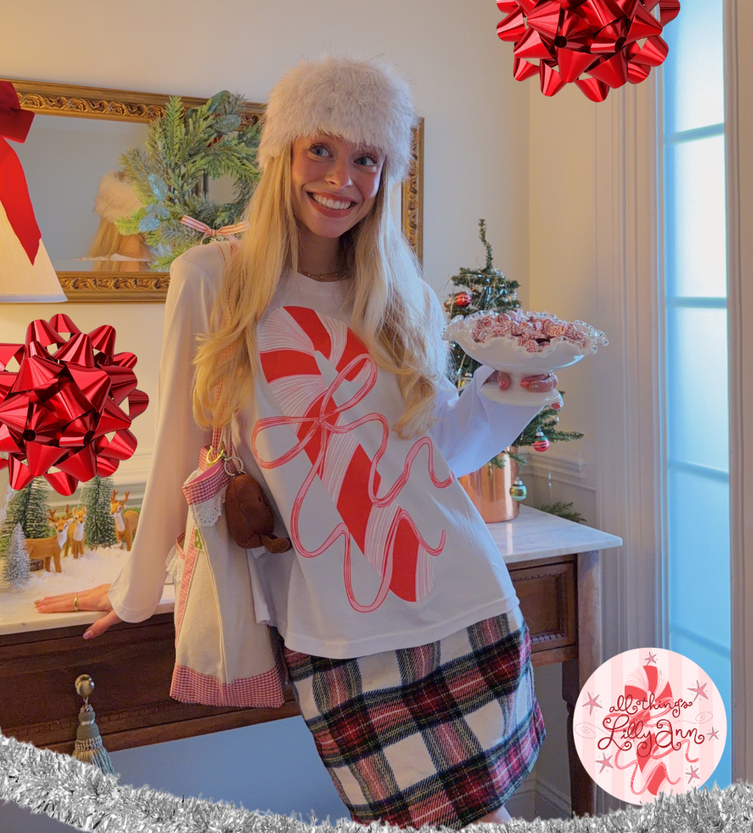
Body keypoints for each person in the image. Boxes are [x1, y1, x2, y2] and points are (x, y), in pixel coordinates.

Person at [36, 53, 557, 828]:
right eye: (320, 149)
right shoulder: (212, 278)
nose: (341, 178)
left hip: (465, 600)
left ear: (387, 175)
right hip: (337, 628)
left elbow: (438, 453)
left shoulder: (401, 296)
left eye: (366, 159)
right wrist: (136, 592)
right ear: (281, 153)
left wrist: (511, 388)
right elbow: (177, 444)